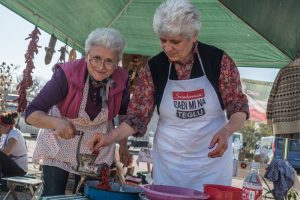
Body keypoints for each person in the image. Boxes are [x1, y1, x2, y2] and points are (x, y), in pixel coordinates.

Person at [88, 0, 249, 191]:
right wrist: (110, 137)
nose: (167, 47)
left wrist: (227, 130)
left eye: (175, 41)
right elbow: (136, 118)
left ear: (194, 36)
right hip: (170, 163)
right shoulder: (155, 68)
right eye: (163, 40)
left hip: (211, 163)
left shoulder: (218, 61)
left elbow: (238, 106)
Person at [25, 28, 131, 196]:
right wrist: (57, 123)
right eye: (96, 58)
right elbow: (31, 113)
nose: (101, 67)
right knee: (54, 195)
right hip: (59, 142)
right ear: (87, 54)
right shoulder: (66, 74)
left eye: (109, 61)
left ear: (117, 61)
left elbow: (124, 114)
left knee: (89, 195)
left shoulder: (122, 80)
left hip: (98, 147)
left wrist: (124, 146)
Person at [0, 111, 28, 190]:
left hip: (19, 169)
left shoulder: (14, 134)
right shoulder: (5, 134)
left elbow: (6, 152)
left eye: (0, 127)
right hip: (12, 166)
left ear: (8, 126)